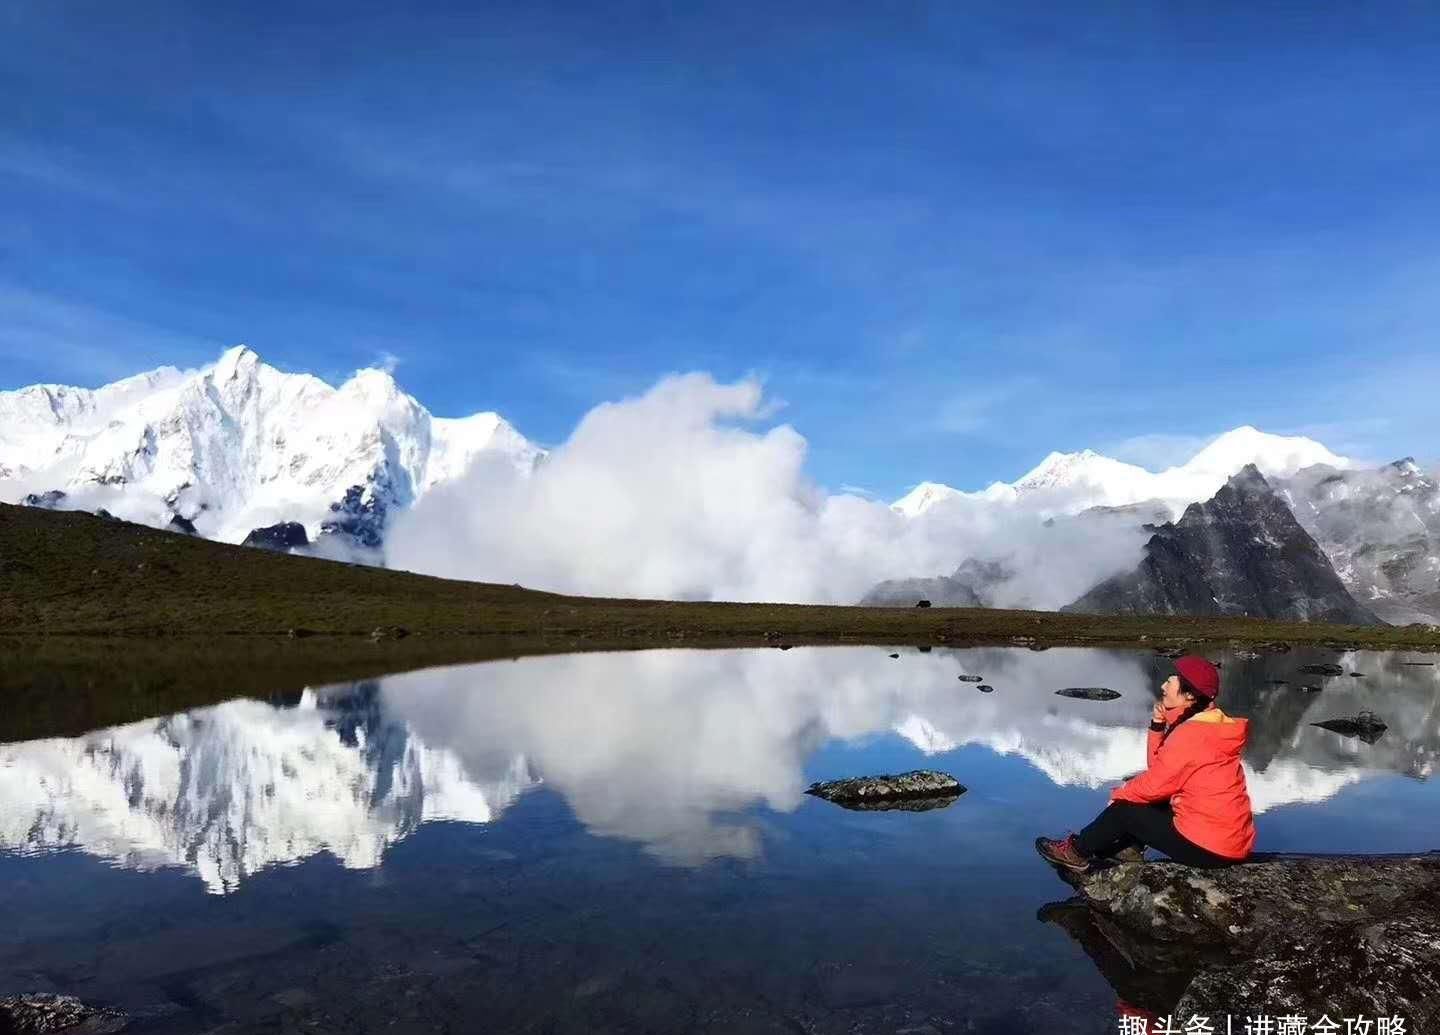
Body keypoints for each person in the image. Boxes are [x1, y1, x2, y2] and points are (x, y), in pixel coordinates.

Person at [1036, 656, 1255, 873]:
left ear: (1188, 695)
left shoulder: (1192, 735)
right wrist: (1158, 727)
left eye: (1171, 682)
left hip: (1209, 849)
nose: (1163, 686)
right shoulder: (1209, 727)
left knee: (1124, 810)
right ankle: (1128, 847)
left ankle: (1076, 852)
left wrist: (1120, 795)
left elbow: (1155, 785)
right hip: (1230, 842)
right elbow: (1160, 770)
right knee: (1141, 793)